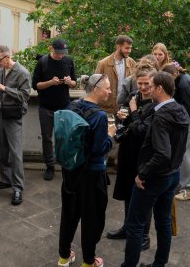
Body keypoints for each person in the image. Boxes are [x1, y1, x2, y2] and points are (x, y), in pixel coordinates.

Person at [121, 71, 189, 267]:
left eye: (150, 85)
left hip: (154, 178)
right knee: (163, 221)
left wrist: (143, 174)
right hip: (172, 175)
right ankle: (159, 264)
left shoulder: (161, 116)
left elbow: (162, 153)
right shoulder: (180, 110)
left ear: (160, 88)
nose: (146, 89)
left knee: (134, 225)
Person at [57, 74, 116, 267]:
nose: (110, 91)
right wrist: (111, 136)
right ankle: (88, 262)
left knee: (69, 214)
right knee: (92, 218)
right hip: (92, 174)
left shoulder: (72, 106)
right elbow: (99, 149)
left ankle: (64, 257)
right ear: (96, 89)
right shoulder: (99, 116)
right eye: (107, 88)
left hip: (71, 170)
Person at [106, 69, 155, 250]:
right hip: (128, 150)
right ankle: (128, 228)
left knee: (143, 194)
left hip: (144, 153)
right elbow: (125, 118)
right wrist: (121, 118)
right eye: (140, 83)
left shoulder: (156, 103)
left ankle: (143, 235)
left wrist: (133, 112)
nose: (142, 87)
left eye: (146, 84)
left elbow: (142, 130)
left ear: (153, 83)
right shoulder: (134, 96)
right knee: (128, 191)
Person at [32, 38, 77, 181]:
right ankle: (50, 166)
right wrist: (51, 82)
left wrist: (70, 82)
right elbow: (36, 85)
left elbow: (75, 83)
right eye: (58, 53)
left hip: (64, 106)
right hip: (46, 107)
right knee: (47, 138)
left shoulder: (68, 61)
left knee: (64, 137)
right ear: (51, 49)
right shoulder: (42, 62)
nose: (61, 55)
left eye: (63, 53)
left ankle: (65, 164)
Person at [0, 45, 31, 206]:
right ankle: (6, 179)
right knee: (2, 150)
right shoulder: (0, 72)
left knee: (15, 153)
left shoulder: (22, 72)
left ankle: (18, 188)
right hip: (2, 113)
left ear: (7, 57)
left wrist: (5, 89)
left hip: (14, 116)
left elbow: (25, 96)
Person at [163, 64, 190, 201]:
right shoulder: (182, 80)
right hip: (188, 119)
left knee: (187, 152)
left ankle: (189, 188)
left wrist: (178, 119)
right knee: (184, 151)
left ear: (174, 75)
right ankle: (184, 184)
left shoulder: (184, 83)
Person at [95, 35, 137, 114]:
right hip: (106, 110)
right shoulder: (103, 64)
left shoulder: (132, 63)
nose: (129, 51)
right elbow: (95, 85)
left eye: (130, 48)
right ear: (118, 47)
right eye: (127, 48)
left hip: (125, 109)